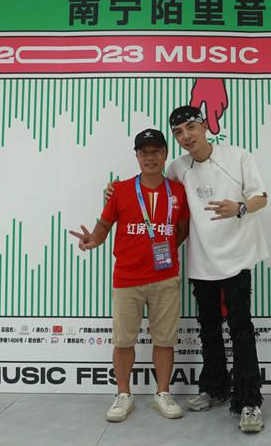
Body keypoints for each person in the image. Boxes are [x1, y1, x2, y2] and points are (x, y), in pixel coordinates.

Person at [108, 106, 269, 433]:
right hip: (201, 263)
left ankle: (249, 401)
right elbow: (152, 189)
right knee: (208, 328)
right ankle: (215, 387)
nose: (186, 136)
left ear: (205, 126)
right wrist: (113, 191)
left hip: (236, 258)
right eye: (179, 132)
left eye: (191, 128)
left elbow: (261, 197)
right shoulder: (177, 167)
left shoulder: (238, 156)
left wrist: (238, 207)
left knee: (240, 328)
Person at [71, 128, 190, 423]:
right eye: (144, 152)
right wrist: (94, 239)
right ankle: (123, 395)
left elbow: (183, 228)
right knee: (123, 341)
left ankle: (162, 393)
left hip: (166, 278)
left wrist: (164, 249)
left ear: (165, 154)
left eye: (155, 151)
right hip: (127, 279)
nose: (150, 157)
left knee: (165, 340)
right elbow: (104, 225)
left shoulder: (178, 191)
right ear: (137, 156)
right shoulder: (121, 190)